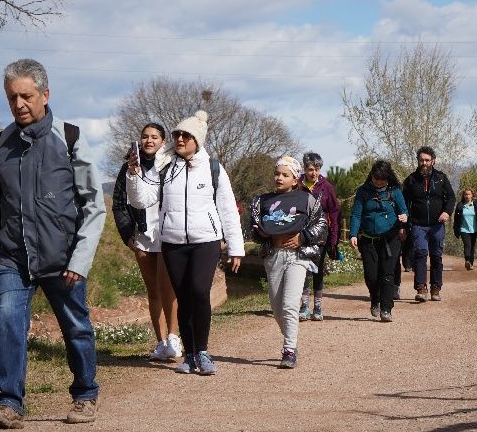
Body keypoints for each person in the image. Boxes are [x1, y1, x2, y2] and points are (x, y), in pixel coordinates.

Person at [0, 59, 106, 428]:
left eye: (26, 96)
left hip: (62, 259)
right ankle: (10, 405)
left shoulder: (71, 138)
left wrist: (80, 260)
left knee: (76, 327)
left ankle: (85, 395)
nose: (19, 104)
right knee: (9, 323)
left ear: (45, 95)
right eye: (12, 97)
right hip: (13, 257)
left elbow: (94, 204)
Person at [126, 111, 243, 375]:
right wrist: (134, 175)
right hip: (172, 242)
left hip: (206, 241)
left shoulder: (213, 167)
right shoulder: (164, 165)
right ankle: (189, 356)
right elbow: (141, 200)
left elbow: (227, 209)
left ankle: (202, 351)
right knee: (184, 297)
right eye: (177, 134)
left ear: (197, 140)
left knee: (200, 292)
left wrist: (236, 248)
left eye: (185, 135)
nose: (179, 139)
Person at [112, 123, 181, 361]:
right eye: (145, 136)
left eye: (154, 137)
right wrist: (127, 234)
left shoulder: (172, 166)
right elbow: (119, 204)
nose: (149, 140)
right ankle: (161, 342)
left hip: (167, 234)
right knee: (153, 291)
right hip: (142, 235)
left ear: (163, 142)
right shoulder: (128, 168)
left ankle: (174, 337)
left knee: (168, 288)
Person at [250, 156, 327, 368]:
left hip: (297, 257)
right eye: (277, 173)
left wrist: (302, 238)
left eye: (285, 175)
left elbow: (322, 225)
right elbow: (254, 229)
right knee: (276, 307)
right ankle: (291, 339)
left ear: (295, 179)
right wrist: (262, 234)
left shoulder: (307, 199)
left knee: (290, 304)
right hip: (273, 255)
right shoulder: (262, 201)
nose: (279, 178)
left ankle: (289, 349)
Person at [349, 160, 408, 322]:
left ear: (388, 177)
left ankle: (386, 309)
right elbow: (356, 214)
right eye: (375, 179)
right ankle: (375, 299)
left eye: (382, 179)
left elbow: (404, 211)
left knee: (387, 273)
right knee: (371, 276)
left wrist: (404, 217)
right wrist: (353, 234)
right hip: (368, 240)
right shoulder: (364, 191)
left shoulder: (395, 191)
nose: (378, 182)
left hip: (390, 239)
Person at [402, 146, 455, 302]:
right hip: (418, 225)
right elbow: (404, 204)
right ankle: (421, 288)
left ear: (433, 160)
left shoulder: (441, 178)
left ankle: (436, 287)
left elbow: (451, 197)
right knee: (420, 253)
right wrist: (405, 224)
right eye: (421, 160)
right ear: (418, 161)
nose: (424, 163)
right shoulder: (411, 180)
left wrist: (447, 211)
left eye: (427, 160)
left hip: (437, 225)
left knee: (436, 255)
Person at [298, 152, 340, 321]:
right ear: (304, 169)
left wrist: (334, 240)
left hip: (321, 236)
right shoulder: (297, 185)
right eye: (310, 169)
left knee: (317, 271)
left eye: (316, 169)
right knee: (303, 271)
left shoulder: (327, 187)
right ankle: (304, 307)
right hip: (301, 236)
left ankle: (318, 308)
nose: (313, 172)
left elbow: (335, 213)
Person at [453, 188, 477, 270]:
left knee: (472, 246)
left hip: (474, 229)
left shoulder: (476, 205)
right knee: (467, 245)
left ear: (472, 195)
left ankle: (471, 263)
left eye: (469, 194)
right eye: (466, 194)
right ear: (463, 196)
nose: (467, 196)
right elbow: (456, 219)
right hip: (464, 229)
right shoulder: (460, 205)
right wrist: (456, 229)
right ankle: (467, 260)